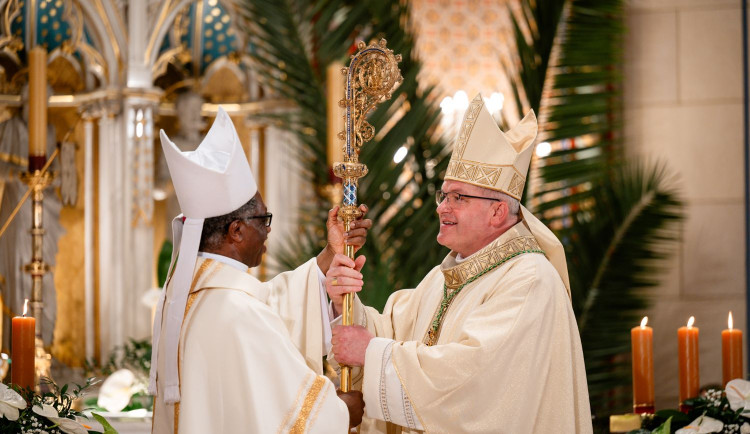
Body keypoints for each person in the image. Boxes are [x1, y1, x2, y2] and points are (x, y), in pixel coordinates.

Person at [326, 94, 592, 433]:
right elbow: (392, 332)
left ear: (498, 211)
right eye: (443, 196)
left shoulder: (529, 279)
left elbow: (476, 379)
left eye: (458, 198)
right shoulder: (444, 276)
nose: (441, 208)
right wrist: (344, 303)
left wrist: (373, 353)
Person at [150, 107, 366, 433]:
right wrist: (341, 412)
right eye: (263, 220)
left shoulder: (181, 298)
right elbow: (292, 416)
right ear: (236, 231)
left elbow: (271, 303)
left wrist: (329, 254)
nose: (268, 231)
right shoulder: (238, 312)